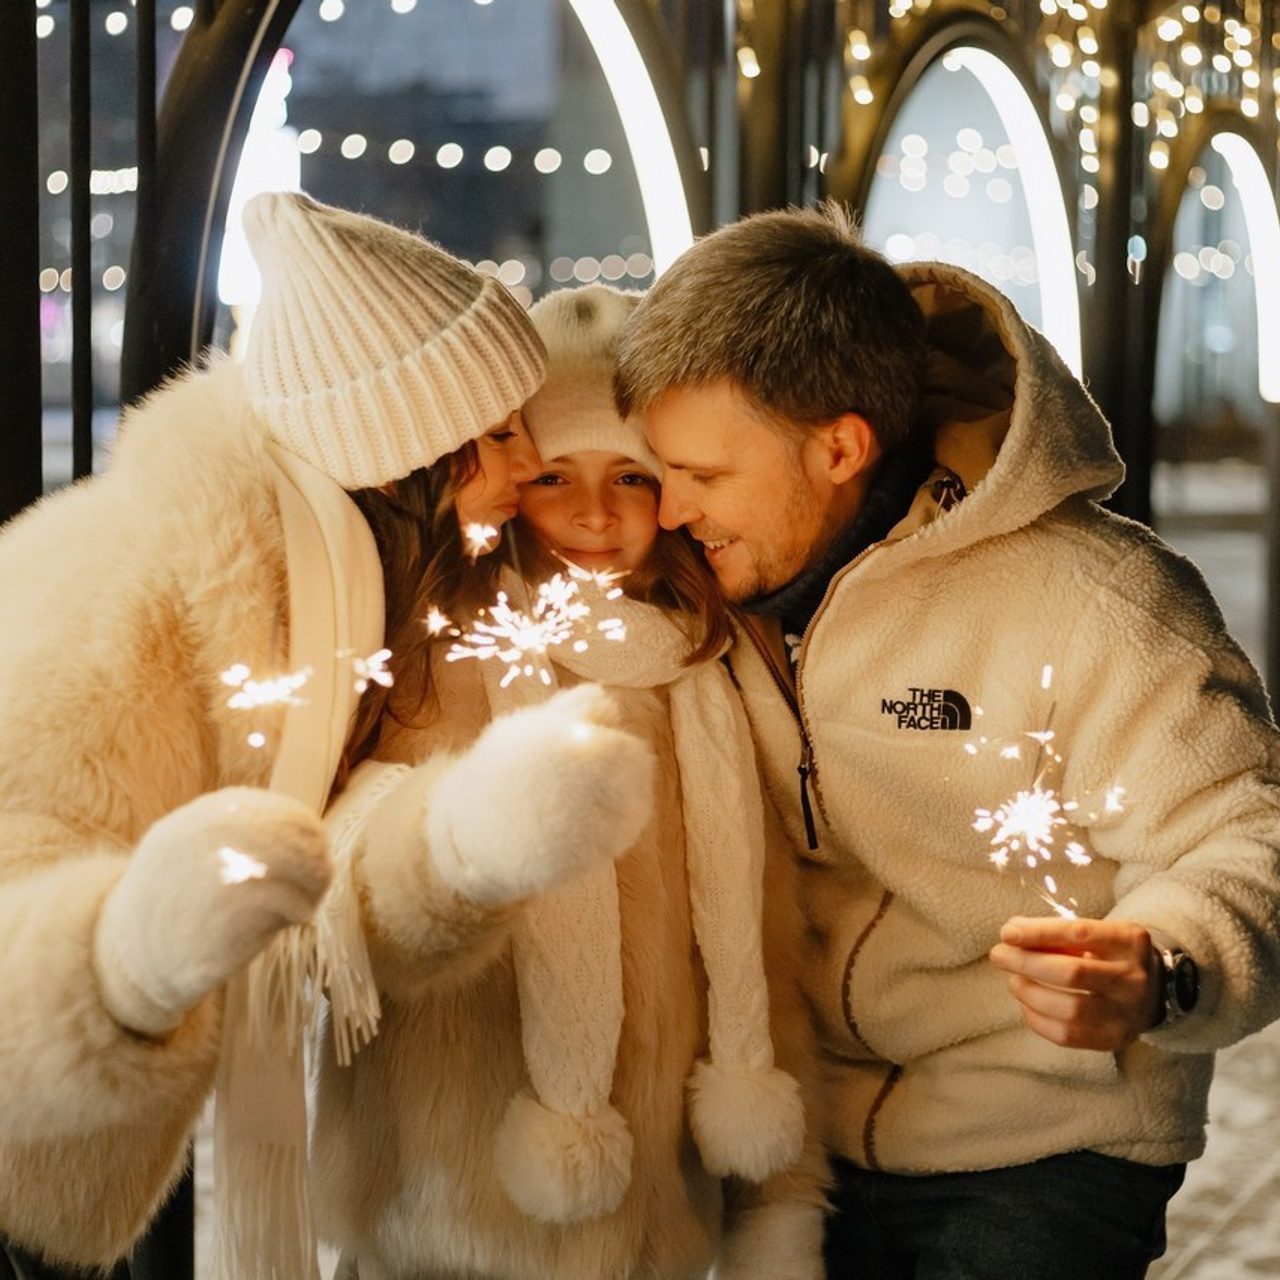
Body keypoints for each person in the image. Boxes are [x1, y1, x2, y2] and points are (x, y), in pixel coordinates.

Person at [612, 201, 1280, 1277]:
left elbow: (1241, 833)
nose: (669, 509)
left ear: (837, 446)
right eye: (658, 469)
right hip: (794, 1138)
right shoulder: (692, 596)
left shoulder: (1093, 598)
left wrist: (1156, 963)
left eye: (704, 476)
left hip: (1038, 1142)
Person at [0, 190, 657, 1279]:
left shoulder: (351, 583)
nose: (521, 461)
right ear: (401, 453)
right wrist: (125, 960)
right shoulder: (124, 589)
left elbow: (347, 857)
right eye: (493, 434)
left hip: (139, 1125)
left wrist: (464, 843)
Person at [308, 282, 827, 1279]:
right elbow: (350, 890)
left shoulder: (710, 672)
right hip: (446, 1219)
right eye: (553, 477)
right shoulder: (432, 655)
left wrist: (776, 1198)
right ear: (506, 484)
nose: (592, 513)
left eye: (629, 477)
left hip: (651, 1224)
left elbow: (761, 954)